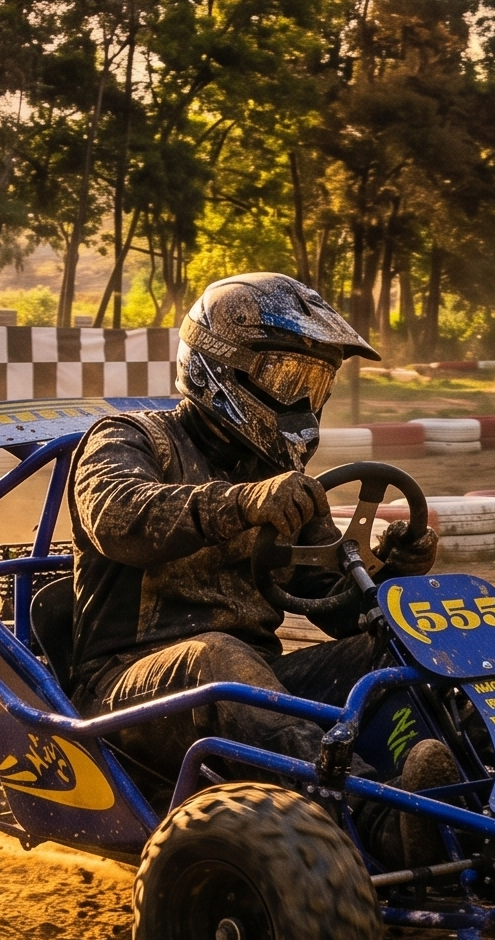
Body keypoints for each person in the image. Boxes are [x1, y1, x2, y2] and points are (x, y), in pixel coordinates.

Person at [53, 273, 457, 850]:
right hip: (124, 689)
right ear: (220, 365)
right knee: (218, 658)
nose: (301, 402)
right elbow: (117, 518)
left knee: (394, 644)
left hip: (254, 682)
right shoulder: (130, 437)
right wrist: (242, 504)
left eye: (314, 385)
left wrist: (395, 571)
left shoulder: (282, 479)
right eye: (287, 379)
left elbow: (337, 606)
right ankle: (376, 822)